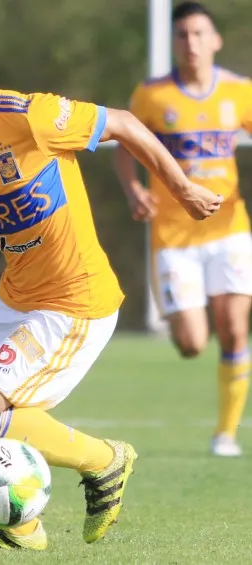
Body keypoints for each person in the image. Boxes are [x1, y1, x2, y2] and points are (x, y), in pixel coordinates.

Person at [0, 16, 221, 550]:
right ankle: (22, 530)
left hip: (75, 299)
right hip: (16, 296)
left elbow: (125, 124)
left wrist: (182, 190)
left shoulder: (30, 116)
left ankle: (105, 461)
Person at [115, 1, 252, 457]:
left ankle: (226, 434)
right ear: (174, 43)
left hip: (229, 230)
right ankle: (190, 335)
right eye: (182, 35)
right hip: (174, 238)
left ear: (215, 40)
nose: (191, 43)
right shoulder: (152, 95)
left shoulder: (240, 91)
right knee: (193, 343)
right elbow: (124, 144)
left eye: (198, 34)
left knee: (234, 329)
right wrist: (134, 188)